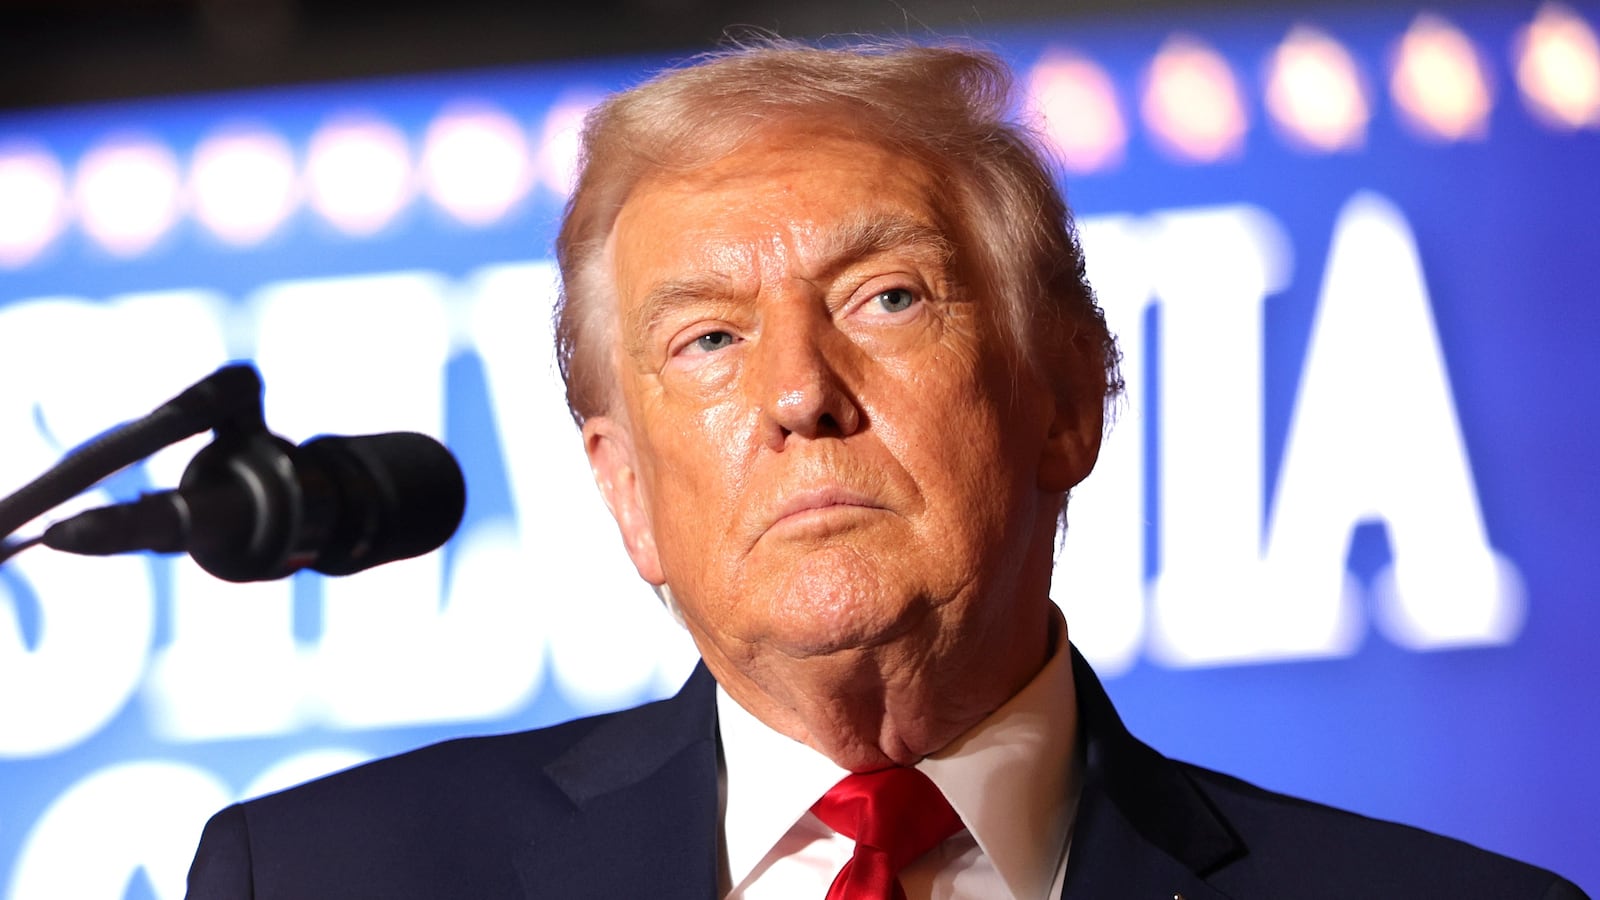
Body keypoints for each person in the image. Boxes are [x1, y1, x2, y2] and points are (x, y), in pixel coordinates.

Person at [186, 40, 1588, 899]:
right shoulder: (325, 881)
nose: (800, 392)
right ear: (625, 492)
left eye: (889, 300)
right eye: (711, 338)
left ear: (1063, 403)